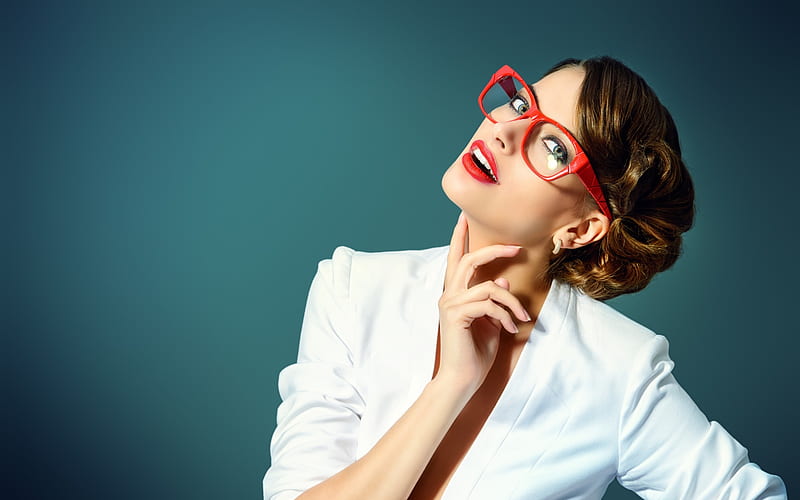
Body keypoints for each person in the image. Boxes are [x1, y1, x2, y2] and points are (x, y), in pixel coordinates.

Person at [262, 57, 787, 499]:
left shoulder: (618, 370)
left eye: (553, 146)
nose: (505, 129)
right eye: (520, 103)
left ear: (582, 227)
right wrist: (451, 385)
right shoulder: (353, 289)